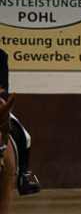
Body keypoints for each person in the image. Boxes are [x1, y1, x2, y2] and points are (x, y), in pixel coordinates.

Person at [0, 48, 41, 195]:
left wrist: (2, 101)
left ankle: (23, 177)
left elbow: (3, 84)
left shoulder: (1, 55)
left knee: (26, 137)